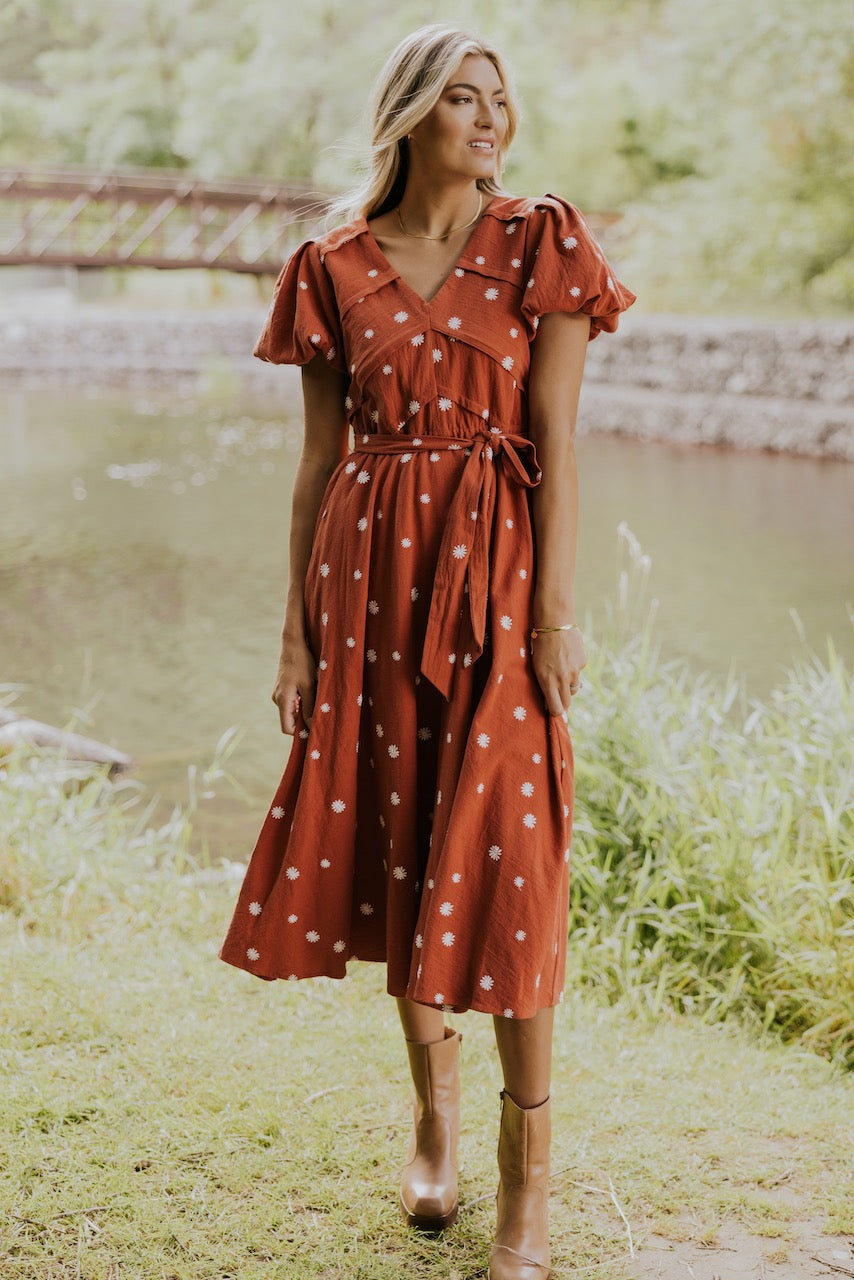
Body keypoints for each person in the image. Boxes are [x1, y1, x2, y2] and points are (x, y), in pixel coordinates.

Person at [220, 23, 636, 1279]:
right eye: (460, 97)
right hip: (366, 591)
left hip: (500, 591)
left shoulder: (539, 240)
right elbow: (315, 465)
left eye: (497, 97)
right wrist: (295, 632)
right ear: (408, 116)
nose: (487, 118)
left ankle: (528, 1178)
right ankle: (433, 1116)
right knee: (404, 848)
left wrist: (556, 616)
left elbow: (556, 445)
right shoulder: (331, 264)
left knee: (508, 863)